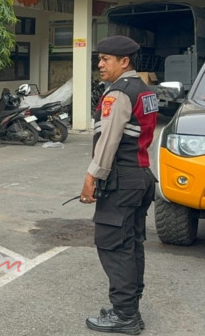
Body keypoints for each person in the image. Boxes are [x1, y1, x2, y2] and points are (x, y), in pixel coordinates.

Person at [81, 35, 158, 335]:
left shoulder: (119, 93)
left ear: (124, 62)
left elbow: (109, 142)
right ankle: (129, 306)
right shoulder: (143, 90)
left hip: (122, 179)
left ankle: (126, 315)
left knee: (114, 244)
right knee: (131, 243)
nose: (100, 64)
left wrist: (91, 177)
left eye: (105, 59)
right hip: (140, 175)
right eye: (99, 58)